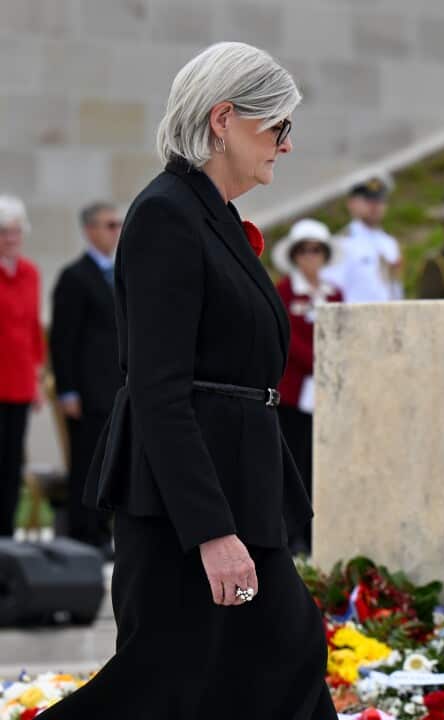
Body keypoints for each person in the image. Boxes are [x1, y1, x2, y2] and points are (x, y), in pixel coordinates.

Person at [40, 42, 335, 720]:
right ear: (225, 118)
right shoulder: (167, 214)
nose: (286, 146)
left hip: (238, 483)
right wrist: (211, 531)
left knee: (286, 656)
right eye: (278, 126)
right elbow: (158, 386)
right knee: (159, 685)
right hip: (185, 502)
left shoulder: (212, 215)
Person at [50, 201, 124, 552]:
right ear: (90, 229)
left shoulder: (119, 273)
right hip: (87, 390)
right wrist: (67, 390)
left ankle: (101, 530)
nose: (115, 231)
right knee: (87, 463)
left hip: (115, 388)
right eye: (109, 225)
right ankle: (84, 533)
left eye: (118, 224)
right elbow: (62, 339)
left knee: (112, 462)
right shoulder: (74, 277)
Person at [271, 219, 343, 556]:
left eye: (317, 250)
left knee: (323, 463)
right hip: (297, 391)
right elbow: (288, 338)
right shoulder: (285, 291)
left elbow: (343, 331)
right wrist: (320, 359)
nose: (311, 257)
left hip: (327, 391)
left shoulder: (334, 293)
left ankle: (319, 532)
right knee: (294, 462)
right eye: (304, 251)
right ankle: (294, 533)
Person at [0, 195, 44, 539]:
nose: (11, 239)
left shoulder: (30, 273)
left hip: (17, 382)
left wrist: (37, 379)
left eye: (15, 232)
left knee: (12, 463)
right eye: (4, 232)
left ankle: (6, 533)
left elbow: (32, 329)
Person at [322, 174, 402, 303]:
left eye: (380, 200)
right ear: (351, 204)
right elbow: (332, 290)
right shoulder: (341, 243)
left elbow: (395, 289)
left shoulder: (390, 243)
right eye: (368, 200)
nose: (375, 206)